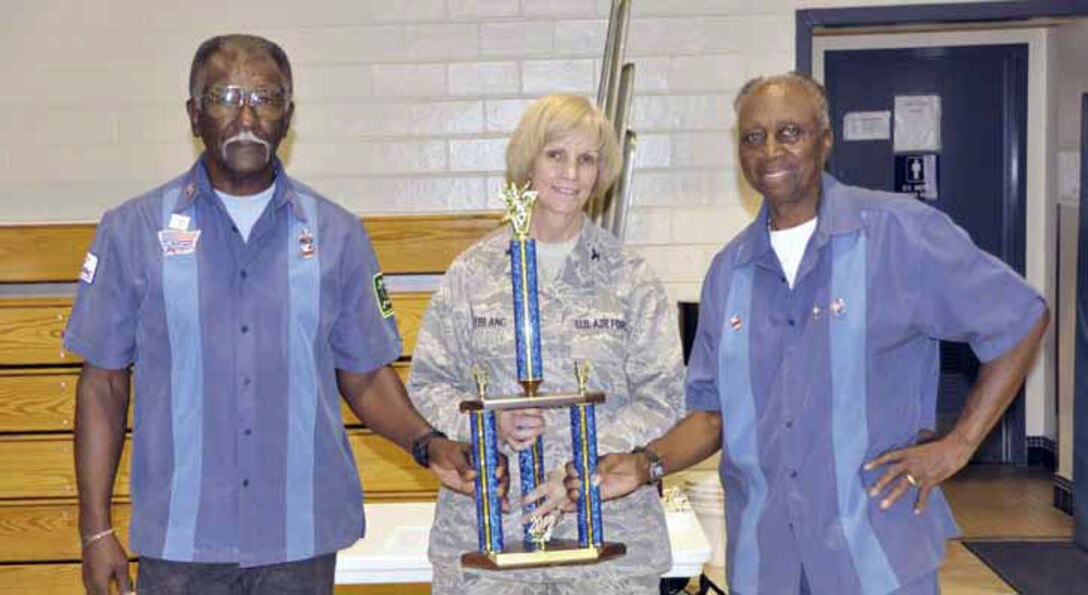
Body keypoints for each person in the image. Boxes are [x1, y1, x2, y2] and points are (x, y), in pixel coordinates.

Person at [566, 72, 1049, 594]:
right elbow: (711, 415)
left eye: (789, 132)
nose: (770, 150)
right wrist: (644, 465)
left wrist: (959, 445)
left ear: (825, 139)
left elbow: (1020, 317)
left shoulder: (897, 233)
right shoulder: (730, 272)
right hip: (766, 561)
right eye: (753, 137)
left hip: (876, 554)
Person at [67, 34, 484, 595]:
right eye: (225, 96)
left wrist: (427, 442)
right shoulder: (133, 231)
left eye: (265, 97)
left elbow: (363, 376)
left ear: (287, 117)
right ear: (194, 115)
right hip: (181, 547)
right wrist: (94, 531)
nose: (246, 114)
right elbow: (103, 387)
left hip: (300, 543)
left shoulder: (338, 234)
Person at [407, 93, 686, 594]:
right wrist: (487, 423)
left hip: (607, 545)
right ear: (527, 162)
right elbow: (428, 382)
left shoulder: (631, 278)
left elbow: (663, 394)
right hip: (491, 541)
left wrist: (586, 459)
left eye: (586, 159)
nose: (571, 173)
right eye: (555, 154)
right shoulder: (474, 273)